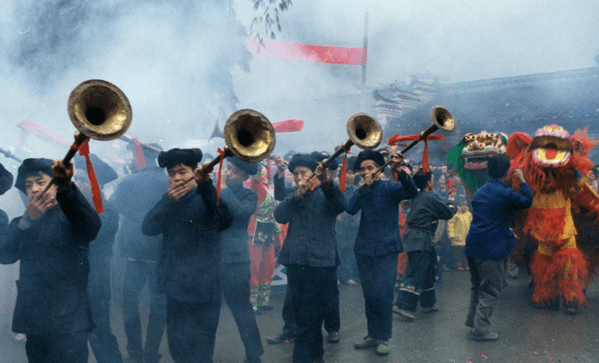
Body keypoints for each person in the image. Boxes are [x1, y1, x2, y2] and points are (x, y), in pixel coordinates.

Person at [0, 158, 101, 362]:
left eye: (40, 181)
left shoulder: (71, 215)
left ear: (55, 185)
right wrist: (25, 222)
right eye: (28, 185)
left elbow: (91, 226)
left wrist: (67, 189)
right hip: (34, 321)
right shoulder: (23, 221)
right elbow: (4, 255)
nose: (34, 189)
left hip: (69, 322)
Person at [141, 148, 232, 362]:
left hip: (204, 290)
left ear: (195, 173)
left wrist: (207, 186)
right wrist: (165, 202)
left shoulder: (208, 195)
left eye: (182, 172)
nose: (177, 178)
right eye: (172, 174)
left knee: (200, 352)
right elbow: (148, 228)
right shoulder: (169, 200)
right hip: (175, 287)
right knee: (178, 348)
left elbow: (223, 220)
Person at [274, 153, 347, 363]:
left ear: (314, 174)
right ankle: (316, 358)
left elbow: (341, 205)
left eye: (303, 172)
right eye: (295, 173)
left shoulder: (327, 192)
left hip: (321, 263)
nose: (299, 177)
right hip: (296, 262)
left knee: (310, 317)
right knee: (301, 317)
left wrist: (327, 184)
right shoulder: (294, 195)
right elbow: (280, 216)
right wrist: (296, 195)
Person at [347, 150, 418, 356]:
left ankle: (383, 337)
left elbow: (412, 192)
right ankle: (372, 335)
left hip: (387, 250)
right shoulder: (362, 190)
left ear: (380, 169)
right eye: (362, 169)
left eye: (370, 168)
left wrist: (399, 170)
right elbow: (350, 209)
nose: (366, 172)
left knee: (383, 293)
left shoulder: (390, 187)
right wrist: (362, 189)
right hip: (364, 250)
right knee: (369, 294)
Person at [109, 144, 168, 363]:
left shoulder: (130, 181)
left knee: (130, 303)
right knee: (158, 306)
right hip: (161, 253)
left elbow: (113, 204)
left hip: (135, 252)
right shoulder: (168, 182)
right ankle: (152, 353)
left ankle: (134, 352)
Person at [465, 154, 532, 341]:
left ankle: (473, 323)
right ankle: (480, 330)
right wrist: (523, 180)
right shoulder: (505, 193)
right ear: (506, 172)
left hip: (473, 246)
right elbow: (527, 201)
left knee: (477, 287)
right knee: (490, 291)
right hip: (491, 249)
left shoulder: (479, 192)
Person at [74, 155, 123, 363]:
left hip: (94, 283)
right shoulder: (73, 203)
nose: (77, 184)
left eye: (83, 180)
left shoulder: (108, 210)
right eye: (75, 178)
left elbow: (89, 230)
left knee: (99, 334)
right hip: (72, 283)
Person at [393, 169, 456, 320]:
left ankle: (428, 303)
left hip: (418, 237)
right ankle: (403, 305)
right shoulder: (429, 197)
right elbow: (447, 213)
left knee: (429, 269)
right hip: (420, 238)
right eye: (432, 179)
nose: (433, 181)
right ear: (429, 182)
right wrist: (451, 202)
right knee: (417, 271)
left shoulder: (418, 196)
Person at [218, 157, 264, 363]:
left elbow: (241, 213)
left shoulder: (248, 195)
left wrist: (224, 190)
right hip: (212, 259)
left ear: (245, 177)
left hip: (235, 262)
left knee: (241, 310)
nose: (228, 173)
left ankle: (254, 355)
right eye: (227, 168)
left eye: (234, 171)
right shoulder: (216, 191)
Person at [446, 198, 472, 271]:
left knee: (466, 252)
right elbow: (450, 225)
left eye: (465, 205)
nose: (464, 206)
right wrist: (451, 235)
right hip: (457, 237)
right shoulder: (455, 214)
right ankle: (458, 263)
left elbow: (472, 224)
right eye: (463, 205)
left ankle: (466, 263)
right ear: (459, 205)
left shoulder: (469, 214)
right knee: (458, 252)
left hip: (467, 236)